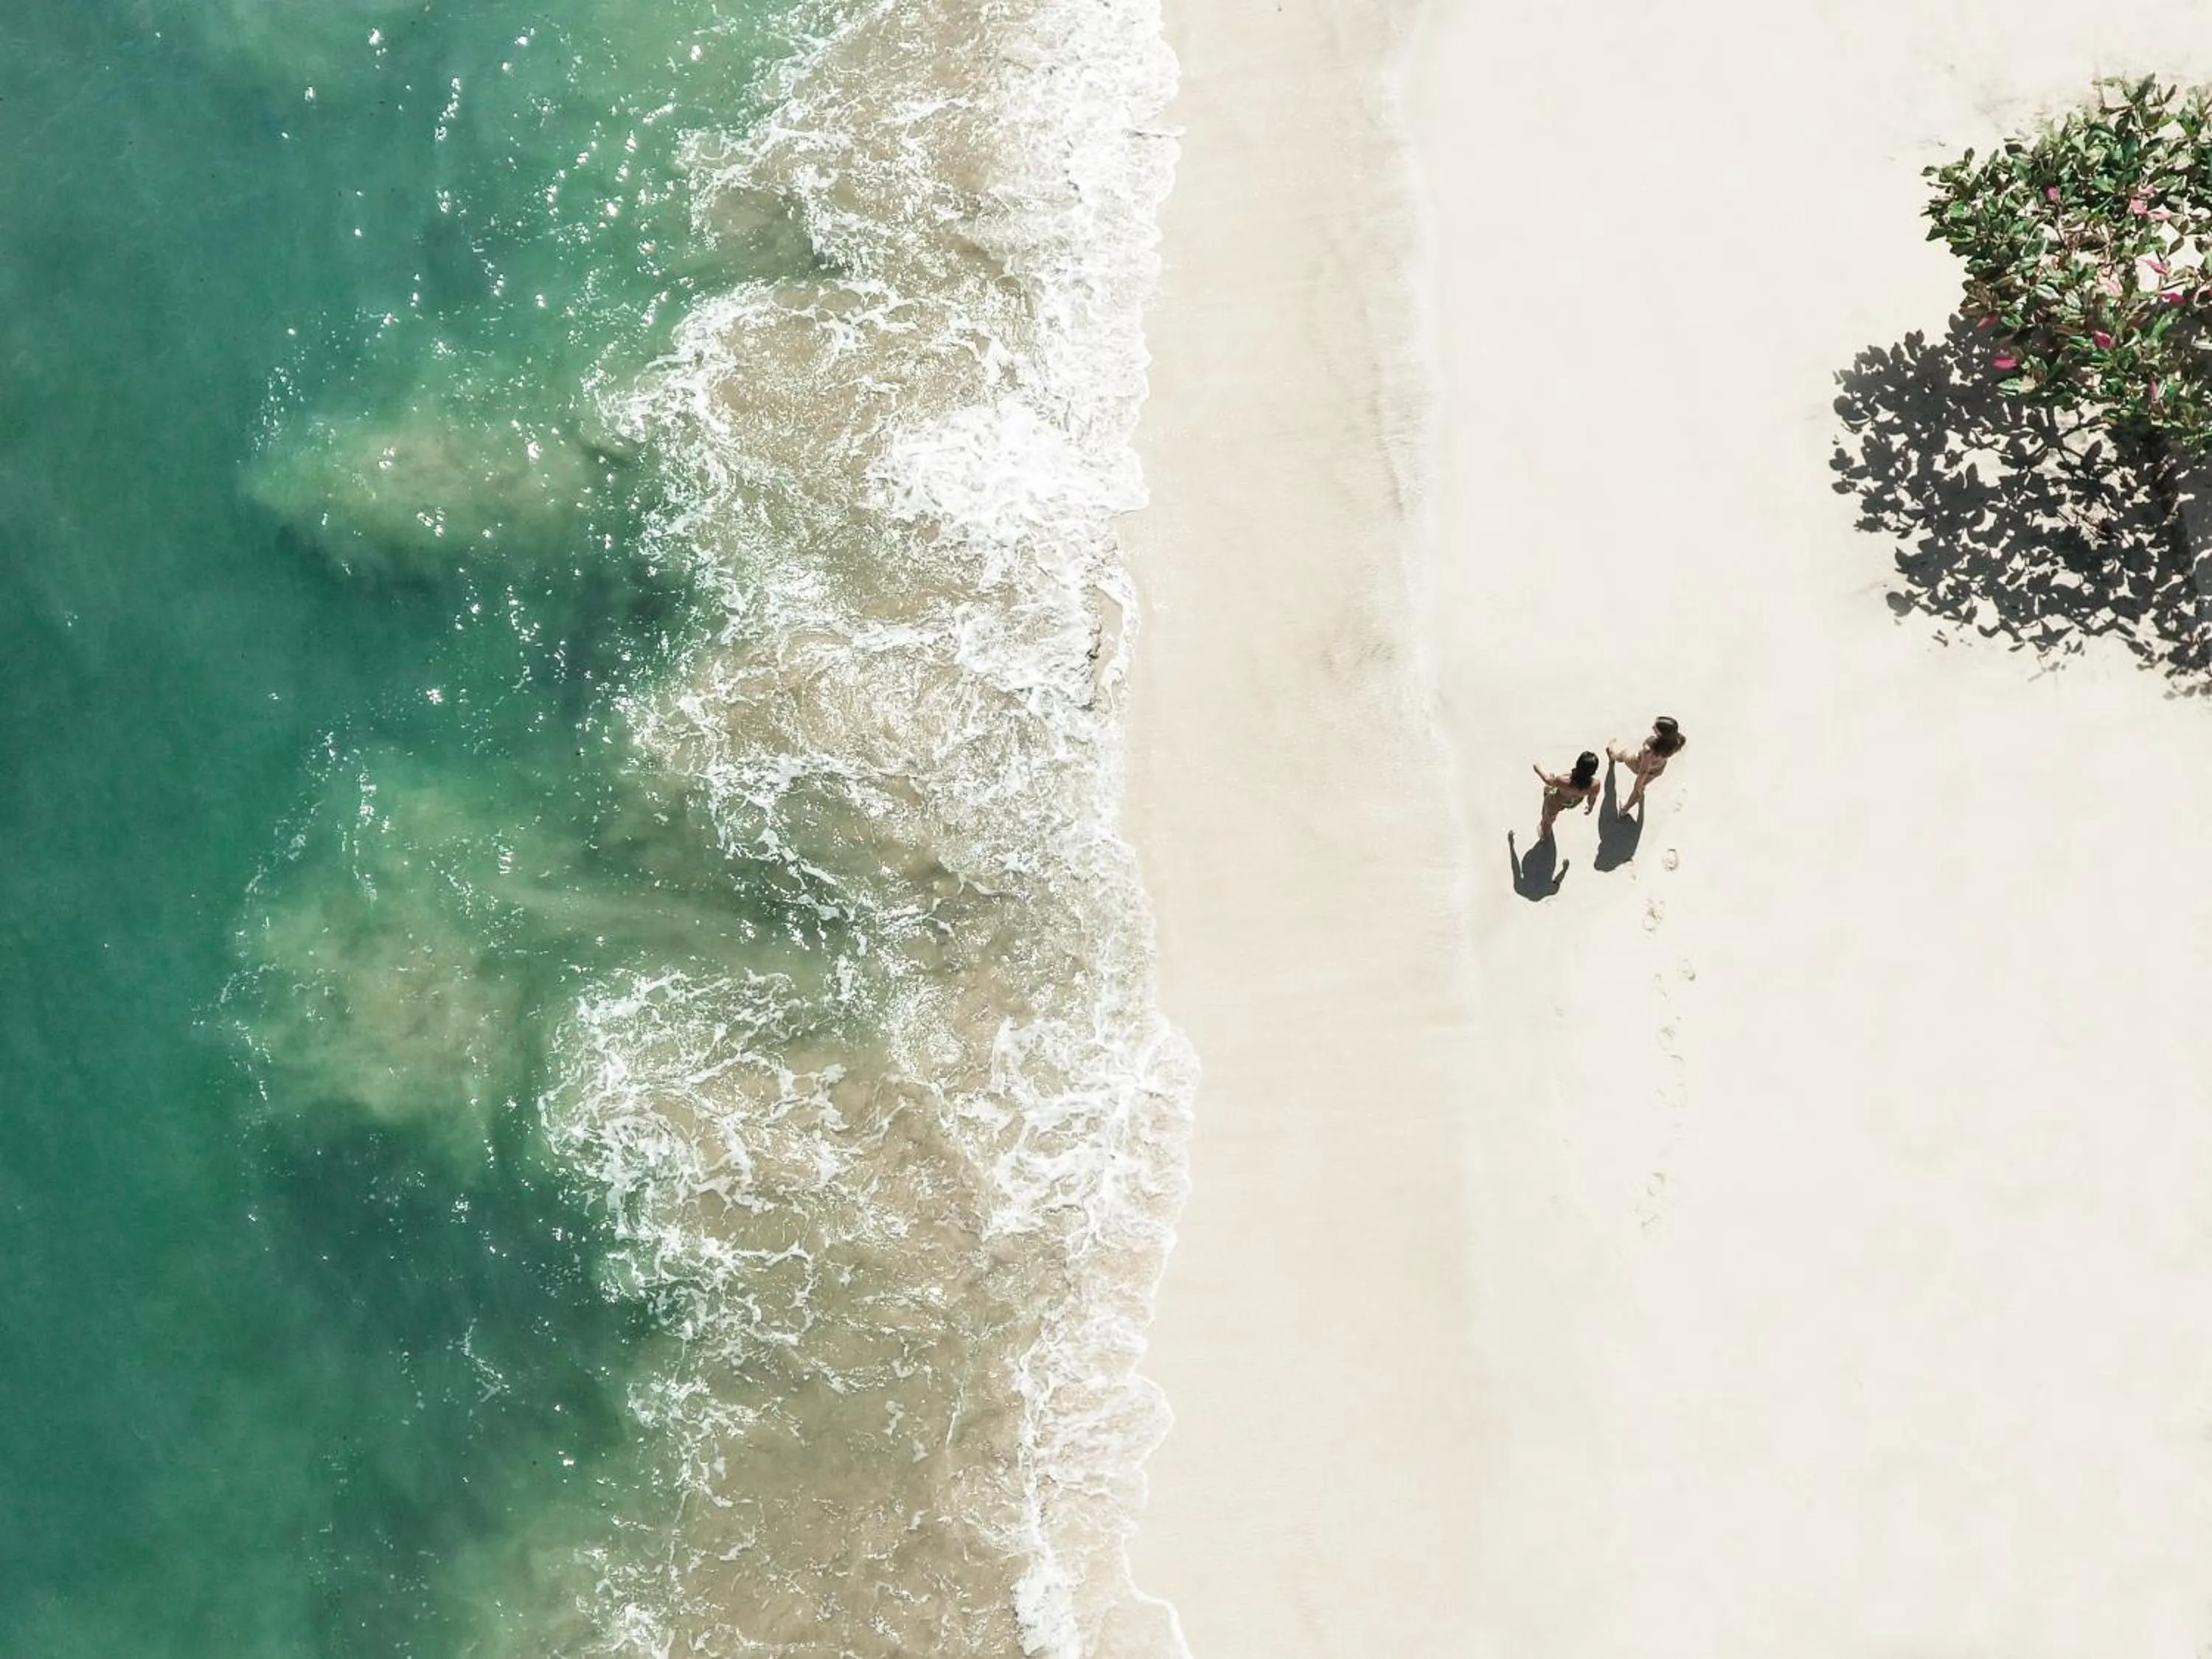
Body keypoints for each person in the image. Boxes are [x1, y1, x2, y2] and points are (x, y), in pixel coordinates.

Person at [1608, 716, 1686, 814]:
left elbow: (1643, 771)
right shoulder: (1678, 741)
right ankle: (1626, 809)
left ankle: (1612, 755)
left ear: (1662, 734)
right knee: (1642, 786)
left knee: (1624, 754)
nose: (1653, 727)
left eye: (1656, 728)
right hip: (1657, 770)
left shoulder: (1649, 749)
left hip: (1638, 764)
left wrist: (1638, 785)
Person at [1533, 750, 1600, 841]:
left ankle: (1544, 835)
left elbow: (1548, 780)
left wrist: (1538, 769)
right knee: (1548, 789)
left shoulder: (1563, 780)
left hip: (1555, 802)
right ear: (1593, 771)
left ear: (1578, 764)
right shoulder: (1595, 785)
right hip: (1573, 801)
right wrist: (1590, 807)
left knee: (1547, 821)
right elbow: (1592, 797)